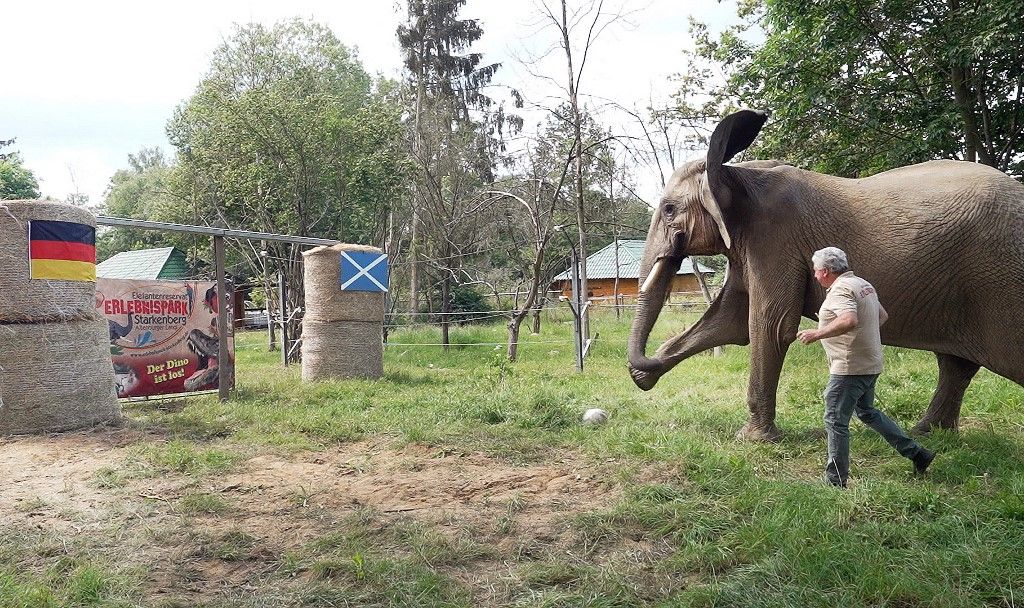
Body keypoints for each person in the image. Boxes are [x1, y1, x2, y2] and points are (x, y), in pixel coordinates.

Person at [796, 247, 934, 487]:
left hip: (850, 368)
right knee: (867, 412)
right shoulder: (862, 284)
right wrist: (863, 338)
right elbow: (882, 316)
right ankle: (918, 454)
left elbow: (849, 319)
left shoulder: (840, 289)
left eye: (816, 271)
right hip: (870, 362)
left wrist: (818, 334)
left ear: (826, 271)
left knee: (835, 420)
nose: (815, 275)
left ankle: (835, 481)